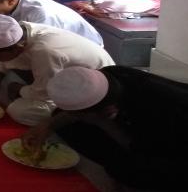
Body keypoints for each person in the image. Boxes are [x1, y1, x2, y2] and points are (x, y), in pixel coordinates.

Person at [21, 66, 188, 191]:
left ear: (107, 111)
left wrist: (104, 125)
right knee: (62, 120)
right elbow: (71, 113)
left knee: (133, 170)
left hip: (175, 147)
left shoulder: (157, 107)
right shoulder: (105, 77)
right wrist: (47, 125)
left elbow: (142, 148)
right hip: (129, 124)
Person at [0, 14, 114, 126]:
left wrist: (18, 89)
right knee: (7, 79)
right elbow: (0, 55)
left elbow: (44, 94)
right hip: (64, 75)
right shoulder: (19, 32)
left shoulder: (45, 51)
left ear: (18, 47)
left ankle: (71, 122)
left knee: (19, 111)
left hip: (97, 90)